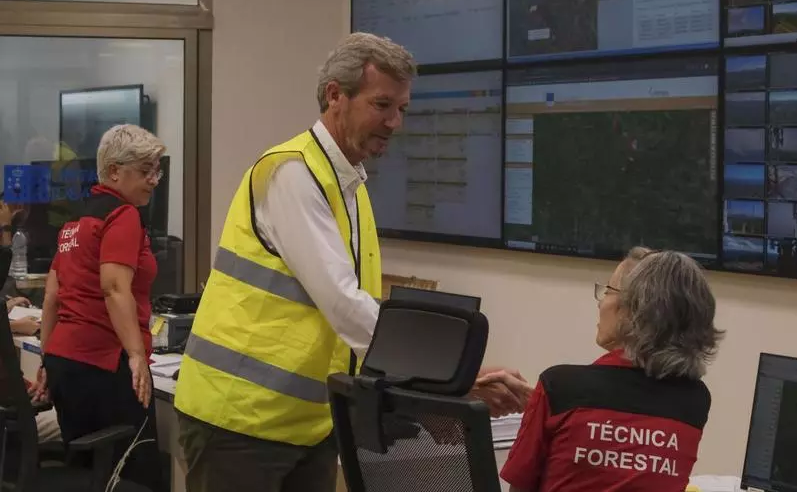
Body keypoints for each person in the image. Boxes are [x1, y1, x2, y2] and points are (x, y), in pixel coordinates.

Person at [173, 32, 532, 492]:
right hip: (239, 419)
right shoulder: (292, 173)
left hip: (309, 424)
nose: (395, 122)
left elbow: (353, 313)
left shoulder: (350, 186)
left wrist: (437, 385)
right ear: (335, 96)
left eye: (402, 108)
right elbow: (345, 305)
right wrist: (451, 376)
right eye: (382, 105)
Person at [500, 247, 725, 492]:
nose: (601, 303)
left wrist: (546, 407)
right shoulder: (694, 400)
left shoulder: (559, 387)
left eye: (608, 290)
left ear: (633, 310)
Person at [29, 124, 166, 491]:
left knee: (89, 471)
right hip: (105, 363)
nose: (154, 180)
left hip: (66, 366)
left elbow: (52, 297)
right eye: (145, 171)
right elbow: (114, 286)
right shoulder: (123, 215)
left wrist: (47, 358)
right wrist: (136, 355)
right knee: (136, 475)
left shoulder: (74, 223)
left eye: (157, 170)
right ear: (115, 172)